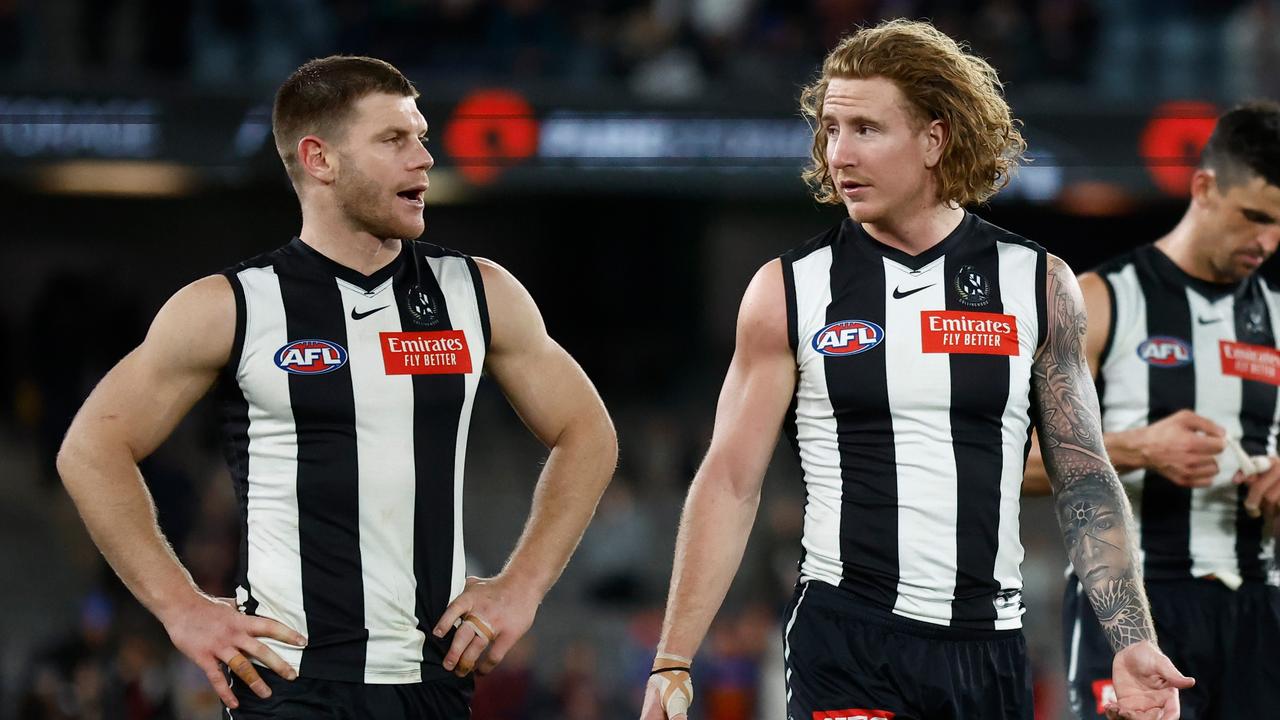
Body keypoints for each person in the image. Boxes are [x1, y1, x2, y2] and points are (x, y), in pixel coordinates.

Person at [639, 19, 1193, 720]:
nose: (840, 153)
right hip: (848, 638)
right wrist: (672, 659)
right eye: (831, 129)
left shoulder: (1037, 285)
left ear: (935, 138)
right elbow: (729, 480)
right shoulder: (789, 291)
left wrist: (1132, 638)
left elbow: (1083, 475)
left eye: (866, 129)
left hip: (989, 649)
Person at [56, 55, 618, 718]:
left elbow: (588, 432)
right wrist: (181, 608)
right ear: (319, 159)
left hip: (434, 685)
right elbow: (91, 449)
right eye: (393, 140)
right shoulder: (231, 306)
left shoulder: (479, 292)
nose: (424, 160)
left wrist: (522, 587)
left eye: (422, 138)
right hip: (291, 686)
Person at [1023, 101, 1280, 719]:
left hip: (1258, 615)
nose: (1266, 242)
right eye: (1253, 217)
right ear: (1203, 187)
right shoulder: (1100, 301)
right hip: (1132, 607)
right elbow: (1009, 461)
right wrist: (1141, 448)